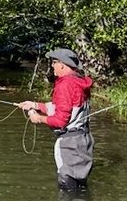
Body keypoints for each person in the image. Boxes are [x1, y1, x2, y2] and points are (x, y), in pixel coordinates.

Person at [18, 47, 94, 191]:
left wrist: (38, 118)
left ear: (62, 65)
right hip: (84, 140)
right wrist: (35, 105)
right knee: (80, 187)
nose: (52, 66)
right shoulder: (78, 82)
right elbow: (64, 107)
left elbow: (60, 121)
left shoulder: (65, 85)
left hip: (69, 144)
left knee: (68, 188)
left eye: (54, 62)